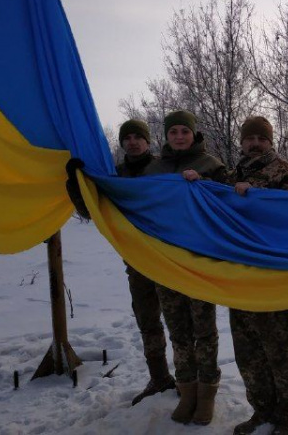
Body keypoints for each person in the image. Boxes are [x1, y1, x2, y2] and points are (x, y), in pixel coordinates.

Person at [64, 119, 177, 406]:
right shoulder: (115, 176)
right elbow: (91, 211)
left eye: (139, 136)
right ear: (122, 143)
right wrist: (76, 184)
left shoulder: (164, 169)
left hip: (170, 258)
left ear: (148, 141)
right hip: (137, 261)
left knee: (181, 324)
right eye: (127, 137)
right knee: (147, 321)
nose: (133, 142)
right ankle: (160, 378)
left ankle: (190, 380)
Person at [144, 110, 227, 425]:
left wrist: (203, 184)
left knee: (204, 330)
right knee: (178, 329)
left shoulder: (211, 165)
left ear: (194, 134)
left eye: (184, 131)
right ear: (166, 135)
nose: (179, 136)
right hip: (166, 262)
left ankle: (207, 394)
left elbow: (229, 201)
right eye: (173, 131)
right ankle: (187, 390)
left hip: (199, 260)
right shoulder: (154, 169)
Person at [229, 116, 288, 435]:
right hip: (238, 275)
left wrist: (256, 191)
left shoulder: (285, 171)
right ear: (242, 142)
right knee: (247, 351)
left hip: (272, 276)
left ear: (270, 141)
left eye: (262, 138)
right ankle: (262, 410)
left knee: (278, 350)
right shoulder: (232, 175)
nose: (256, 143)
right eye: (250, 138)